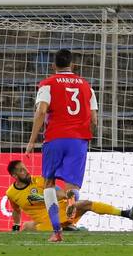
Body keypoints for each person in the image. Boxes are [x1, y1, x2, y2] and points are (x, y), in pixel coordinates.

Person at [24, 48, 98, 243]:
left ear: (53, 65)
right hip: (79, 140)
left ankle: (56, 231)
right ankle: (70, 220)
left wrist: (32, 140)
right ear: (72, 65)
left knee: (49, 183)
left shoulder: (47, 84)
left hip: (55, 138)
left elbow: (41, 111)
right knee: (72, 186)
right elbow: (94, 119)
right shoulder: (86, 86)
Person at [5, 160, 133, 231]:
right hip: (46, 222)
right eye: (22, 170)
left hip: (62, 211)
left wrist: (66, 195)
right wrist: (16, 225)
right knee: (27, 227)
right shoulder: (11, 193)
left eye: (25, 168)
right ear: (15, 176)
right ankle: (70, 228)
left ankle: (126, 213)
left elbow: (57, 192)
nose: (26, 171)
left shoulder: (39, 180)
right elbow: (16, 210)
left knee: (86, 204)